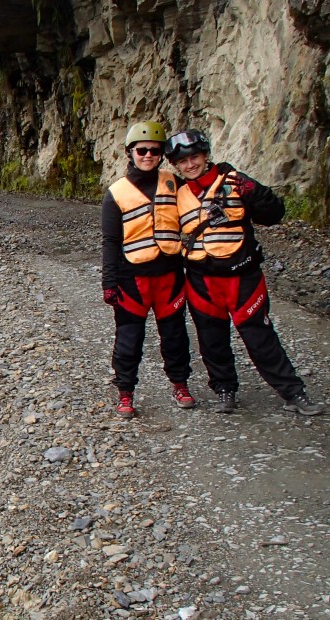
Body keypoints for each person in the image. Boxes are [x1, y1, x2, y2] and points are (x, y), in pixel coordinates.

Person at [165, 128, 325, 416]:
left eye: (195, 157)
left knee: (261, 338)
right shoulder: (177, 195)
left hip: (243, 277)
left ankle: (293, 393)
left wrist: (258, 194)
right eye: (183, 161)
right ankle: (225, 389)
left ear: (205, 155)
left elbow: (274, 215)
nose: (190, 165)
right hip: (202, 281)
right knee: (212, 340)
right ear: (176, 166)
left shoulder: (235, 182)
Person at [101, 120, 195, 419]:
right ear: (130, 152)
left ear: (162, 154)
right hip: (133, 280)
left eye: (154, 151)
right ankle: (125, 392)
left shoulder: (175, 183)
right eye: (141, 150)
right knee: (129, 339)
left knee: (175, 335)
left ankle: (180, 384)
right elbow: (111, 241)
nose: (148, 155)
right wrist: (109, 281)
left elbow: (196, 216)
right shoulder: (116, 193)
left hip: (170, 275)